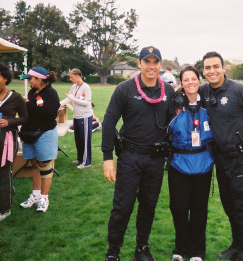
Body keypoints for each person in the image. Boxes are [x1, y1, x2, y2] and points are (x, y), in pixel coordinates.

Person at [101, 46, 175, 261]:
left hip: (155, 159)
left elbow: (174, 125)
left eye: (155, 62)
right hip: (130, 158)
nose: (151, 66)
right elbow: (109, 122)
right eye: (147, 61)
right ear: (139, 63)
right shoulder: (124, 88)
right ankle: (113, 251)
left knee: (148, 206)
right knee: (122, 207)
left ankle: (141, 248)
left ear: (160, 65)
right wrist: (107, 158)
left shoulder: (168, 92)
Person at [200, 51, 243, 261]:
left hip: (241, 158)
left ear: (223, 68)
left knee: (242, 205)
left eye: (215, 66)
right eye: (207, 68)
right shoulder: (205, 92)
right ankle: (236, 245)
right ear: (204, 71)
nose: (212, 71)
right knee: (229, 204)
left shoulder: (240, 90)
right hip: (221, 158)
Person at [168, 66, 214, 261]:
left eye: (193, 78)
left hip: (203, 164)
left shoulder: (210, 105)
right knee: (178, 207)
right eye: (186, 80)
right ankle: (180, 247)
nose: (190, 82)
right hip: (178, 164)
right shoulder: (174, 106)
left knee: (199, 209)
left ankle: (197, 250)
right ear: (181, 83)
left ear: (199, 80)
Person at [19, 67, 60, 213]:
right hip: (29, 133)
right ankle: (35, 195)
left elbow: (48, 114)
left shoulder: (51, 93)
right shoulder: (32, 92)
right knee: (34, 164)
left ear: (39, 79)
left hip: (45, 133)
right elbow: (32, 110)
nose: (29, 81)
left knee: (45, 165)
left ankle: (44, 198)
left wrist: (28, 104)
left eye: (30, 79)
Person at [0, 63, 28, 221]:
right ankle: (8, 191)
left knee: (3, 172)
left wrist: (9, 122)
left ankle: (5, 208)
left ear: (5, 79)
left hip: (7, 141)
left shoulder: (16, 97)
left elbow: (25, 118)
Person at [60, 68, 93, 169]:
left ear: (78, 76)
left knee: (85, 140)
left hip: (85, 116)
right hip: (76, 116)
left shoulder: (86, 87)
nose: (70, 79)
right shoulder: (74, 87)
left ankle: (86, 162)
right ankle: (80, 159)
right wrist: (57, 104)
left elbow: (87, 103)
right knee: (78, 139)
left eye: (71, 77)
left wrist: (72, 98)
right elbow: (68, 99)